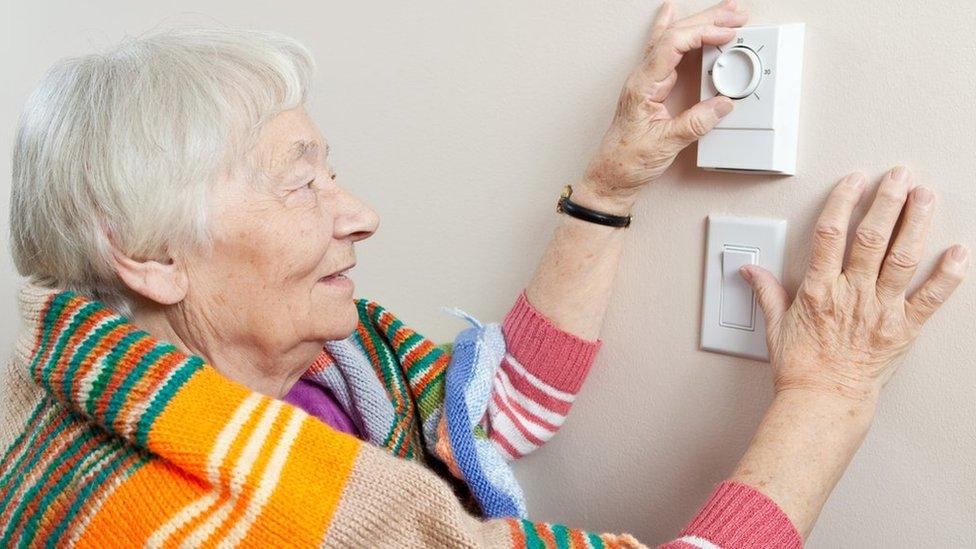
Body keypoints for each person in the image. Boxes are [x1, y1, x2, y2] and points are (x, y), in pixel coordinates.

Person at [0, 0, 967, 547]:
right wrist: (830, 393)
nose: (360, 213)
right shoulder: (197, 521)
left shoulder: (316, 378)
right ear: (149, 255)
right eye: (301, 184)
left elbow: (491, 418)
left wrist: (610, 182)